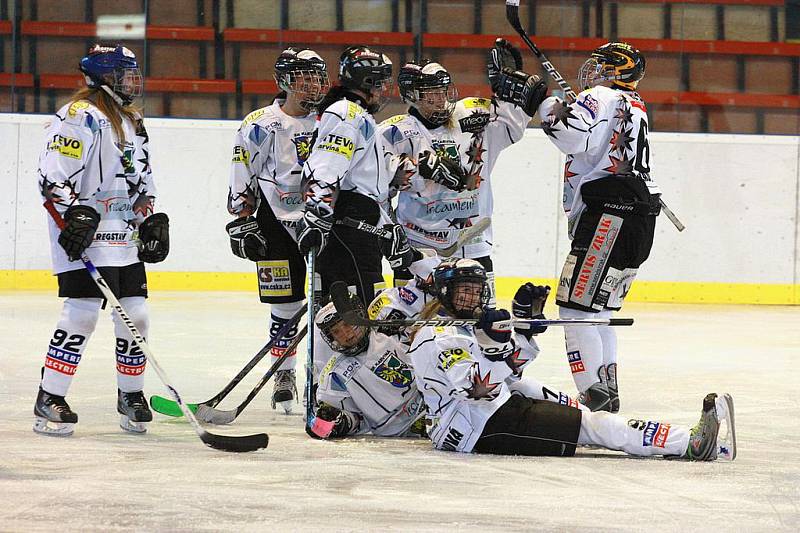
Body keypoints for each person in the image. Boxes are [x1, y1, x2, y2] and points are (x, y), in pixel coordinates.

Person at [407, 259, 737, 461]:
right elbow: (476, 389)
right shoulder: (438, 336)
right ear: (444, 293)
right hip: (478, 428)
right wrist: (501, 342)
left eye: (476, 290)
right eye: (462, 290)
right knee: (597, 425)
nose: (471, 297)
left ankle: (681, 441)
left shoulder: (462, 329)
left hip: (489, 414)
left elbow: (510, 370)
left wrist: (524, 331)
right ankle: (689, 444)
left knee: (584, 414)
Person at [35, 44, 169, 436]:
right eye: (125, 74)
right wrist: (71, 219)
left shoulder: (131, 122)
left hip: (122, 236)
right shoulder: (79, 118)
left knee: (137, 315)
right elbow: (51, 178)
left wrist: (151, 219)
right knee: (81, 313)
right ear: (105, 77)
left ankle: (131, 395)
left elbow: (141, 183)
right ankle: (50, 397)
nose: (133, 81)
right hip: (85, 234)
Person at [535, 42, 662, 412]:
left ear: (614, 71)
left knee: (575, 308)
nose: (592, 73)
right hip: (638, 216)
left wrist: (543, 104)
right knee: (599, 312)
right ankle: (606, 392)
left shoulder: (600, 95)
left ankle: (593, 396)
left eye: (601, 66)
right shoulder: (635, 104)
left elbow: (569, 135)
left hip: (609, 214)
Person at [378, 38, 547, 304]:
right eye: (430, 93)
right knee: (409, 325)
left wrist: (509, 97)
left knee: (481, 320)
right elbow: (376, 182)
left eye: (443, 91)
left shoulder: (472, 115)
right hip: (418, 244)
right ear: (412, 96)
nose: (440, 99)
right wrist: (419, 172)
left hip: (472, 240)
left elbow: (512, 126)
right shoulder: (394, 131)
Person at [226, 48, 329, 414]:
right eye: (305, 77)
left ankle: (321, 379)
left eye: (318, 77)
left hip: (320, 223)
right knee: (285, 306)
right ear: (285, 81)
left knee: (327, 306)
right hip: (273, 224)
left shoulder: (330, 119)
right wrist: (242, 221)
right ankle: (284, 374)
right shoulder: (259, 123)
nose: (313, 84)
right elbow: (243, 174)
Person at [296, 45, 394, 305]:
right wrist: (317, 211)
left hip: (359, 226)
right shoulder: (347, 113)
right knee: (357, 311)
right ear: (368, 82)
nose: (383, 90)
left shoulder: (354, 113)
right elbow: (328, 164)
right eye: (380, 83)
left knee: (362, 307)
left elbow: (364, 176)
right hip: (349, 228)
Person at [306, 297, 427, 439]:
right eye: (336, 332)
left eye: (347, 324)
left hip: (430, 405)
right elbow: (355, 421)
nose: (346, 334)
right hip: (400, 430)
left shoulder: (388, 335)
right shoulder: (335, 375)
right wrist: (337, 423)